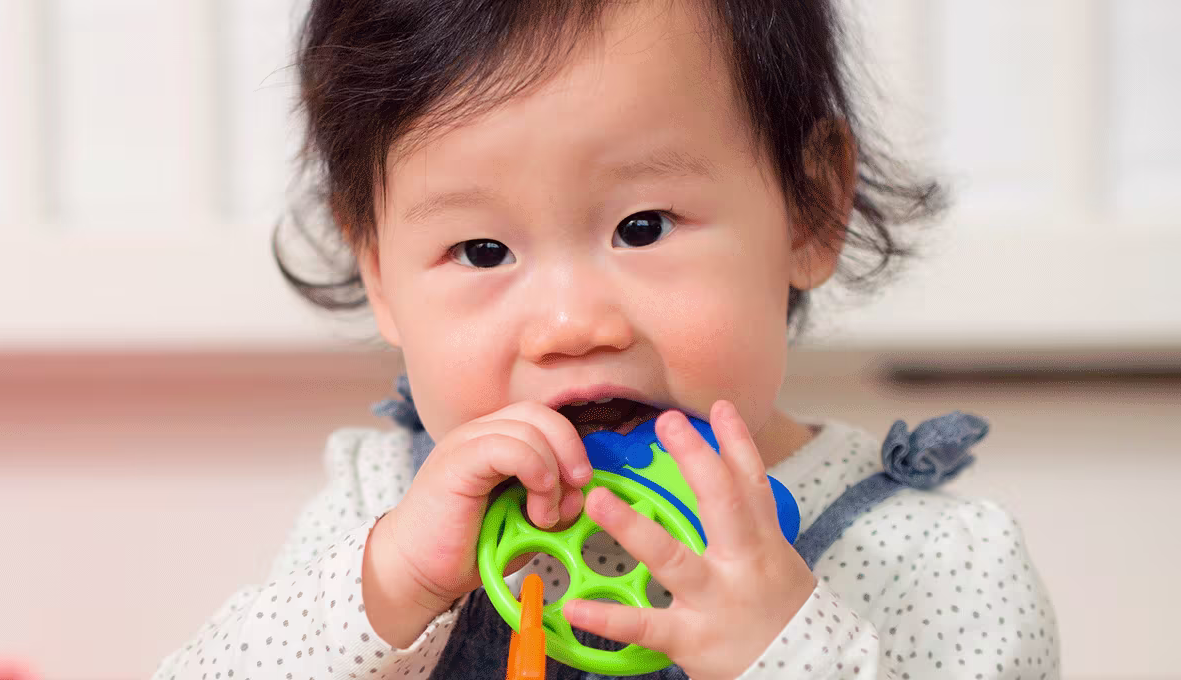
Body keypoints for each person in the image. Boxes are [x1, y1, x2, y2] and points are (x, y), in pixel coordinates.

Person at [154, 0, 1059, 677]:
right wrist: (387, 591)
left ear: (808, 210)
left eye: (642, 227)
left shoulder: (937, 564)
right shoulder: (381, 506)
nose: (570, 325)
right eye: (482, 249)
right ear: (381, 274)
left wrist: (788, 650)